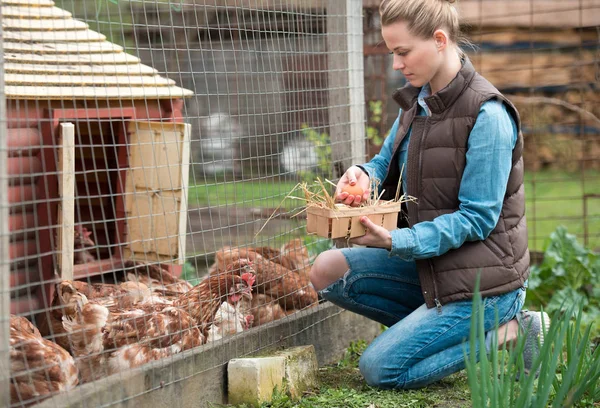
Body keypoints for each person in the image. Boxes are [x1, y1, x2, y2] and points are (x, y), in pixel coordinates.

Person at [309, 0, 549, 389]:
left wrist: (397, 239)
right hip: (432, 267)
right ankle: (429, 330)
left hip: (484, 284)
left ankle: (513, 329)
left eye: (403, 52)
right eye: (392, 53)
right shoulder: (418, 102)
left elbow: (477, 219)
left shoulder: (488, 116)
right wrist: (362, 174)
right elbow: (383, 162)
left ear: (439, 40)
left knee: (380, 368)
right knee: (327, 270)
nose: (396, 65)